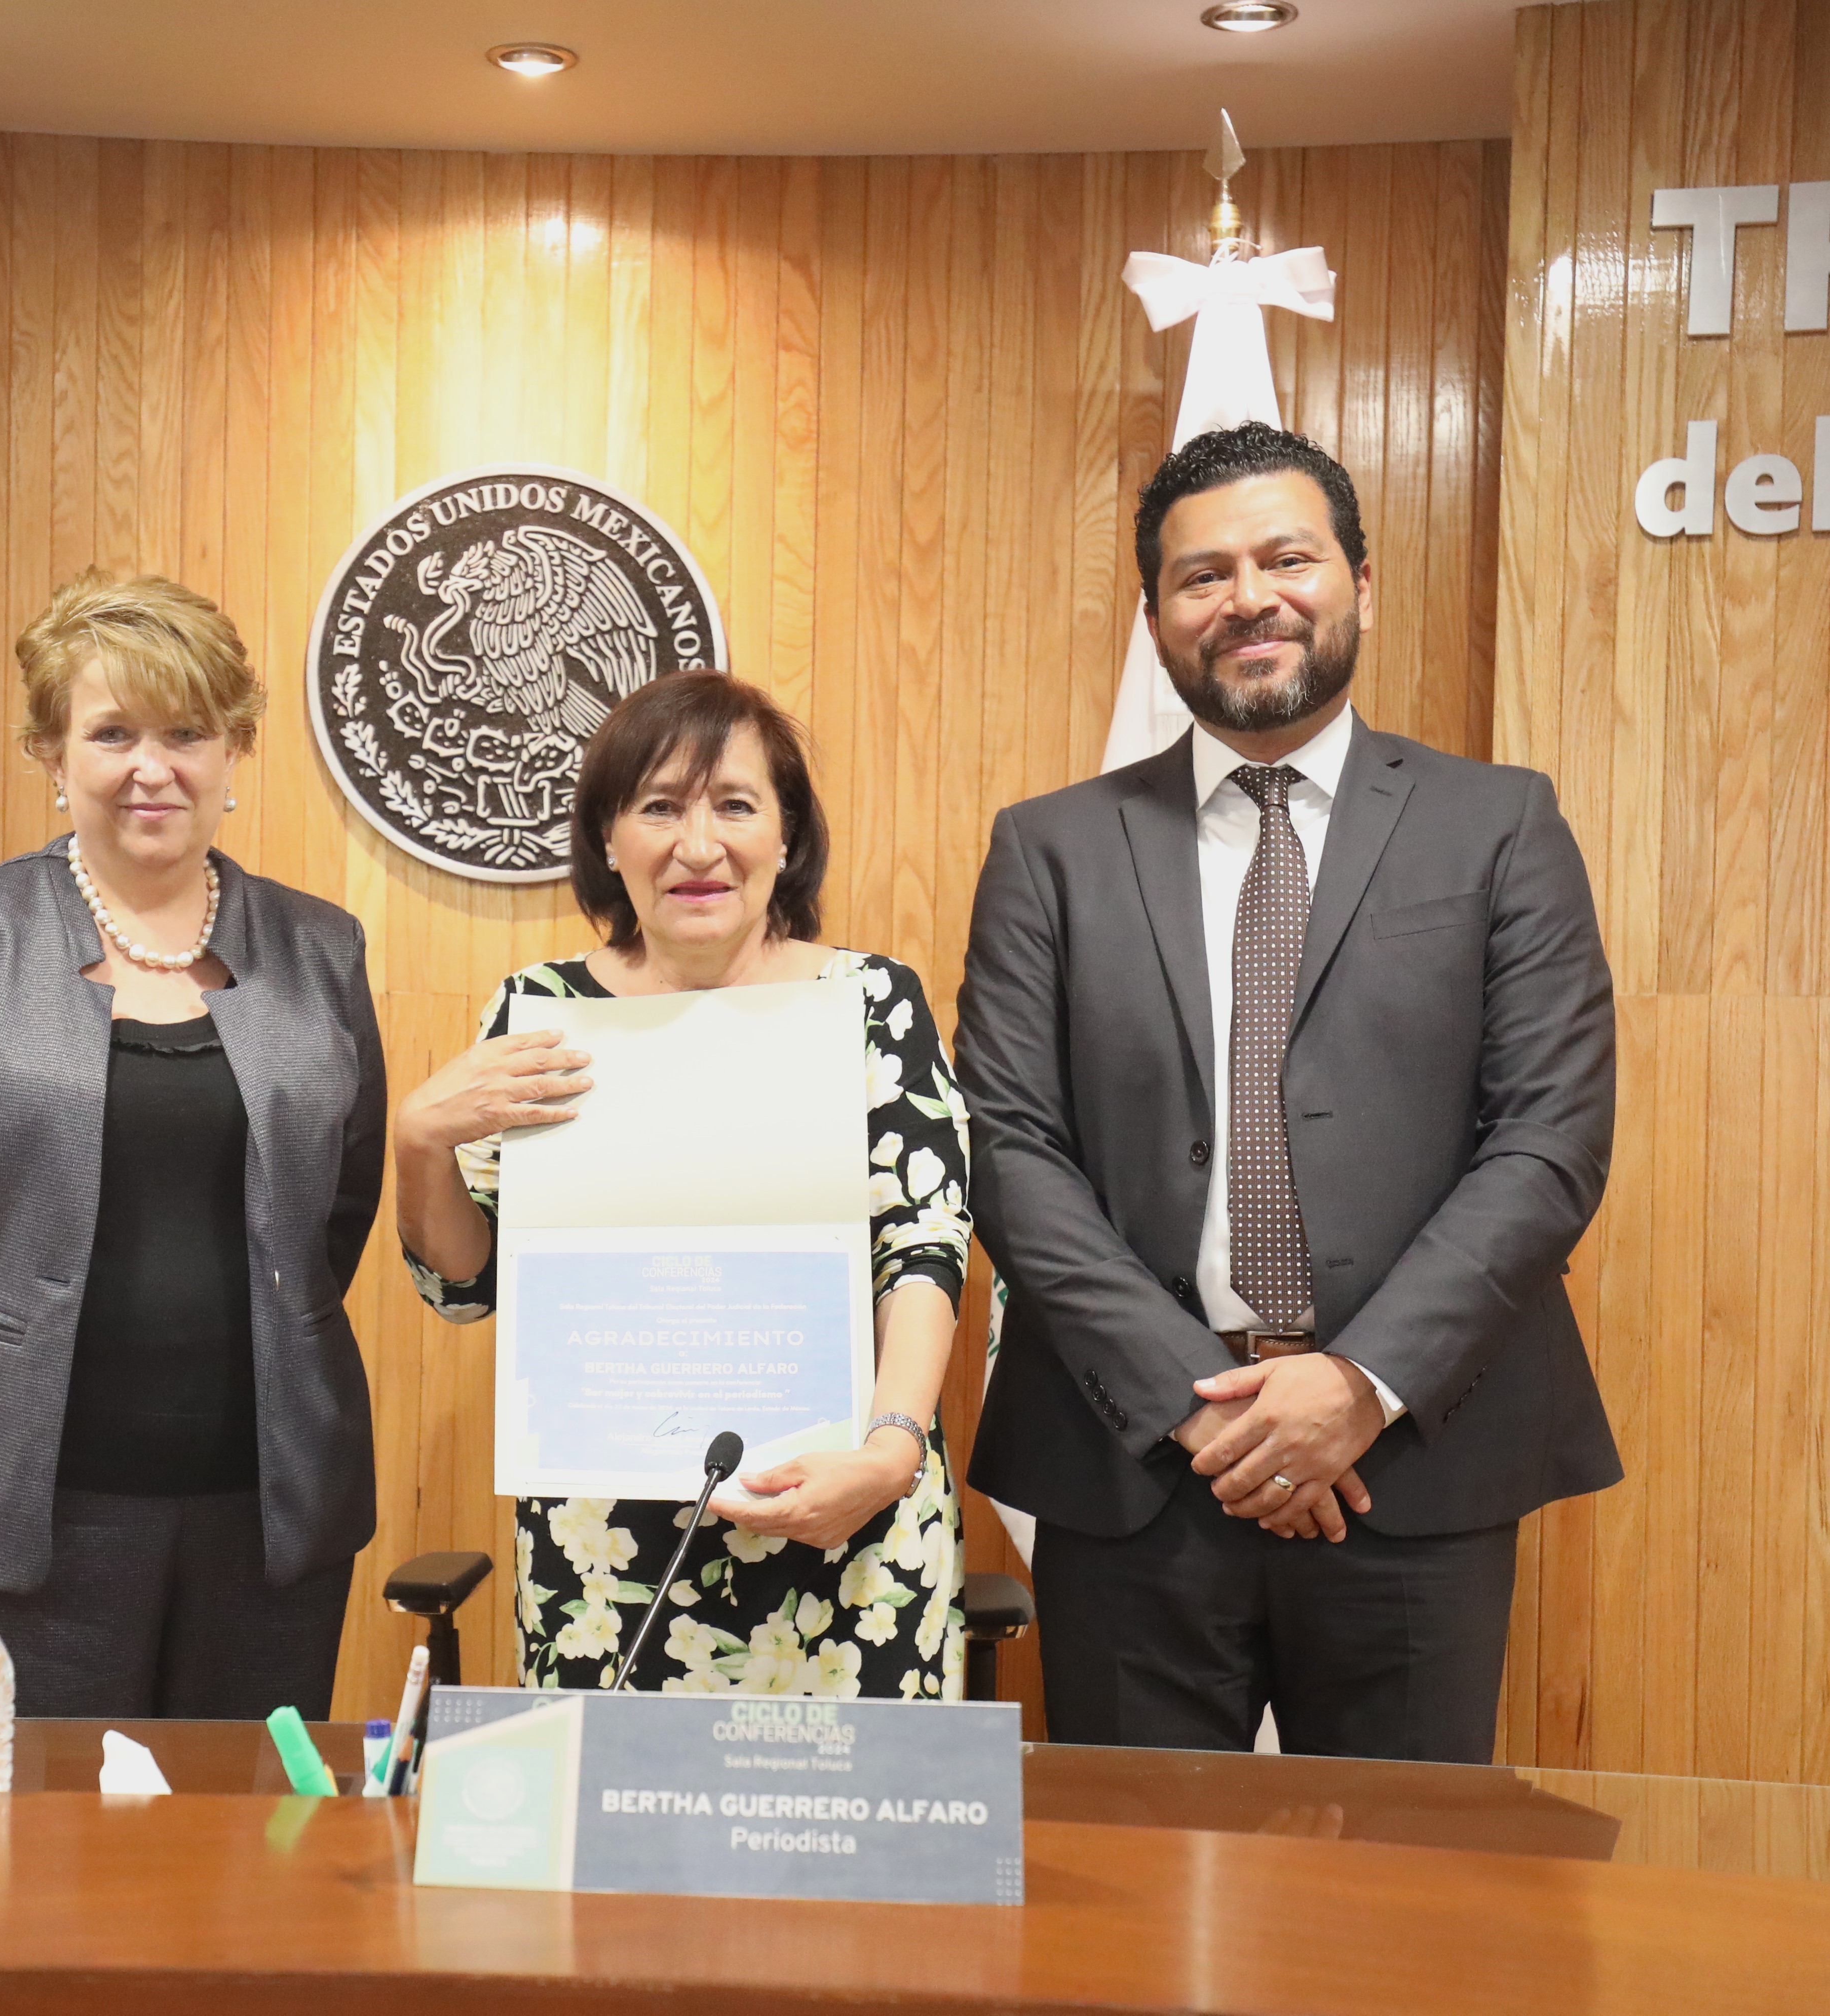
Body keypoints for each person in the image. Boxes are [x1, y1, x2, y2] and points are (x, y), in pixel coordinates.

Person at [957, 421, 1619, 1762]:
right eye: (1202, 575)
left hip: (1410, 1462)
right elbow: (1009, 1143)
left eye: (1287, 557)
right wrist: (1207, 1403)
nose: (1248, 595)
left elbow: (1548, 1137)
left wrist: (1355, 1386)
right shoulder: (1051, 849)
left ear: (1358, 583)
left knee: (1398, 1917)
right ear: (1153, 621)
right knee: (1136, 1917)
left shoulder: (1498, 824)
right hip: (1137, 1461)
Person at [0, 569, 386, 1720]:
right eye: (111, 732)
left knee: (240, 1856)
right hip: (21, 1508)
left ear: (235, 750)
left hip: (268, 1515)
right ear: (51, 753)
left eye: (186, 732)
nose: (151, 767)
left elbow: (340, 1203)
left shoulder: (319, 946)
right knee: (30, 1862)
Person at [398, 671, 971, 1698]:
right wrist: (418, 1144)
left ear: (787, 837)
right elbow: (468, 1283)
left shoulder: (870, 1001)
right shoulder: (540, 1010)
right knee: (618, 1848)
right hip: (603, 1552)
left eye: (735, 806)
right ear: (608, 842)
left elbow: (921, 1244)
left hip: (849, 1524)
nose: (697, 845)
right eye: (658, 807)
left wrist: (890, 1453)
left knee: (843, 1853)